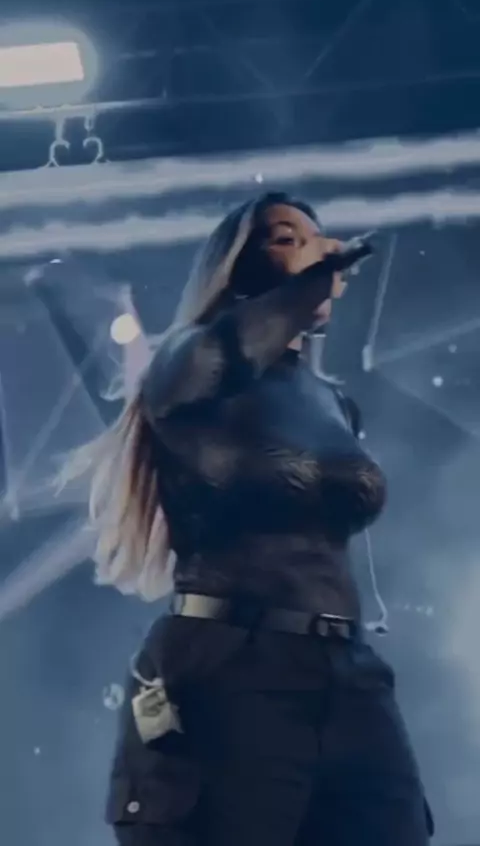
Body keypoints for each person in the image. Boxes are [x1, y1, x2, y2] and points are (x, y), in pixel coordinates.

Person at [67, 192, 433, 845]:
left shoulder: (330, 400)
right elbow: (235, 347)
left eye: (318, 238)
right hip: (232, 668)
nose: (314, 250)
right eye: (287, 238)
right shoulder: (185, 364)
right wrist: (321, 271)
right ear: (235, 266)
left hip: (348, 675)